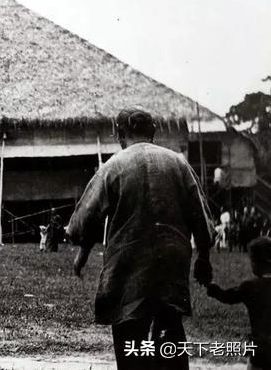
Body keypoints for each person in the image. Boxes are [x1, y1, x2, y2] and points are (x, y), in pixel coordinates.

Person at [66, 108, 213, 370]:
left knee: (129, 332)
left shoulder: (113, 166)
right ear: (153, 132)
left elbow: (86, 218)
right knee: (170, 329)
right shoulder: (178, 163)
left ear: (121, 133)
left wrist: (83, 253)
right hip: (171, 261)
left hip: (128, 263)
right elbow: (200, 214)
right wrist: (203, 256)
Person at [207, 236, 271, 370]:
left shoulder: (250, 286)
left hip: (260, 349)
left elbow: (227, 297)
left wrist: (212, 288)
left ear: (256, 262)